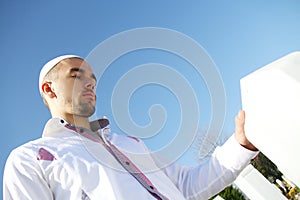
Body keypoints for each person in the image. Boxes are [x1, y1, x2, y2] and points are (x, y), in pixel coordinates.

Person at [3, 55, 259, 200]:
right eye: (76, 75)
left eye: (92, 78)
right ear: (49, 89)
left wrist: (241, 144)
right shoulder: (29, 159)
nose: (90, 83)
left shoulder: (131, 144)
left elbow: (187, 185)